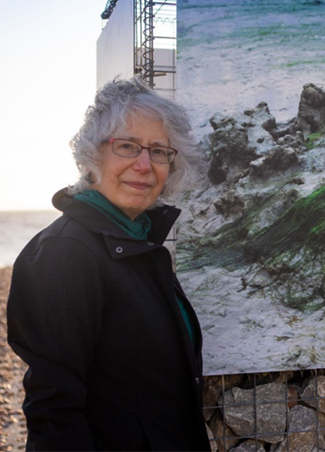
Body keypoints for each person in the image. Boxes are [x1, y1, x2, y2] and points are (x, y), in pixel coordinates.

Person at [7, 77, 211, 451]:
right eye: (127, 146)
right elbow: (54, 413)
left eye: (160, 151)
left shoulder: (137, 241)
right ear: (92, 157)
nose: (144, 164)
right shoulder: (65, 254)